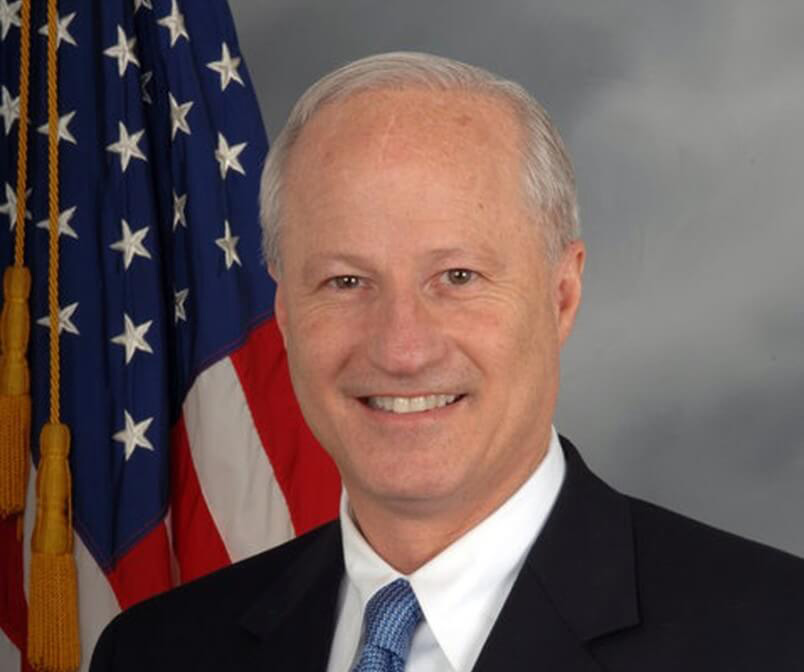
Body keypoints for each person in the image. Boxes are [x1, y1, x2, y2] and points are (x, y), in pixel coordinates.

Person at [90, 52, 804, 672]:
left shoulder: (775, 639)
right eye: (346, 282)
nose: (403, 348)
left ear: (562, 295)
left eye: (457, 278)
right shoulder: (156, 654)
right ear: (283, 315)